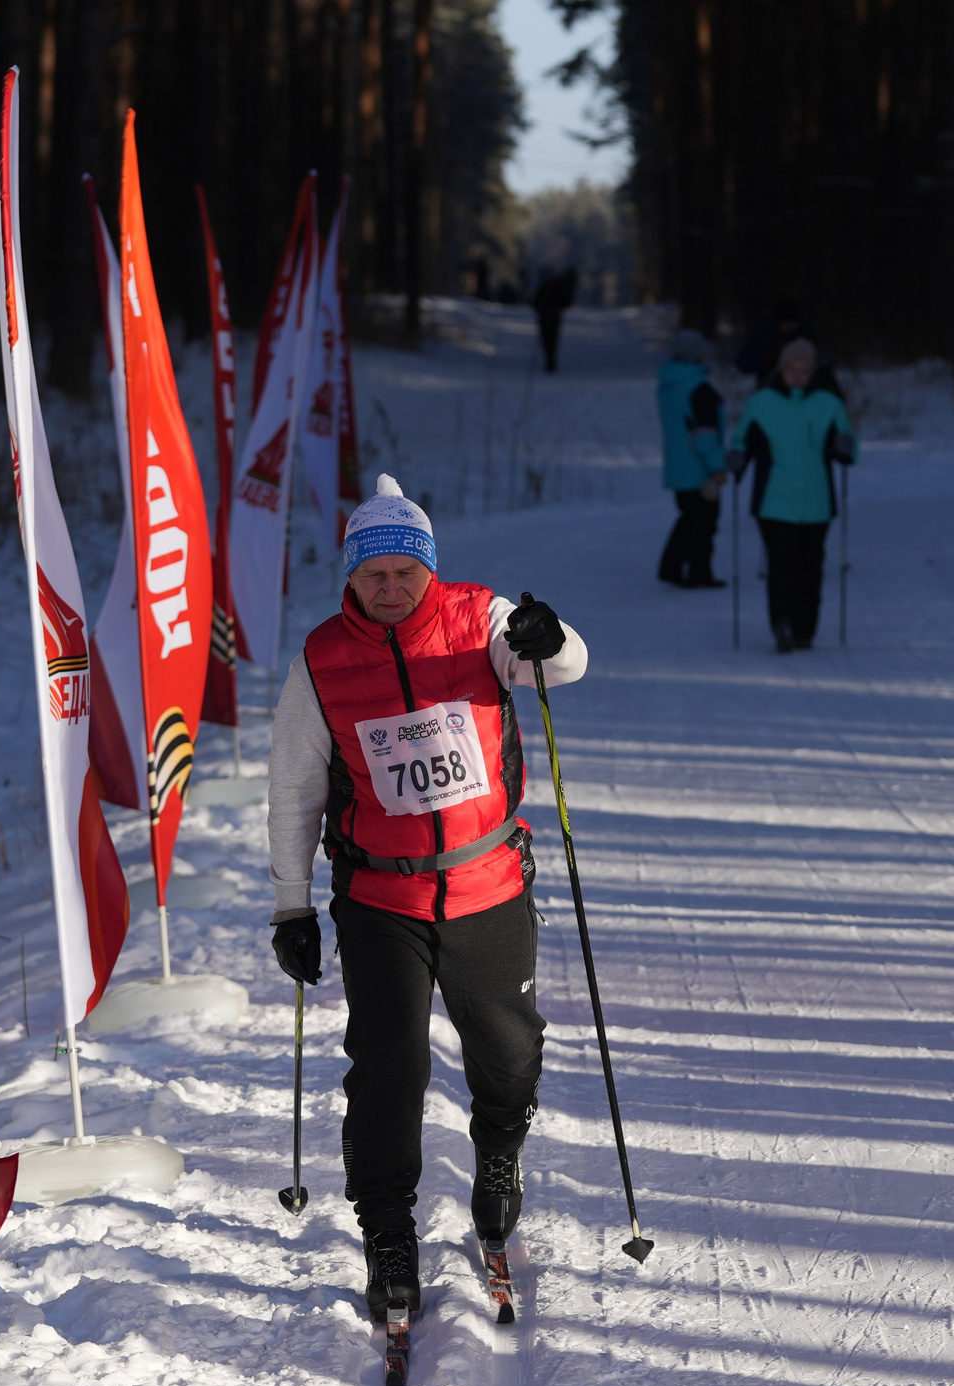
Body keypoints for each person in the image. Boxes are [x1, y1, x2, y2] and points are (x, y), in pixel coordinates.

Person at [267, 474, 589, 1325]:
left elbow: (563, 665)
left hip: (487, 885)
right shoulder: (320, 661)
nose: (390, 587)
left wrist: (546, 635)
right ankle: (387, 1232)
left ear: (428, 570)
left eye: (406, 571)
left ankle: (498, 1155)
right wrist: (290, 905)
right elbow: (295, 787)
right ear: (351, 576)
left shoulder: (478, 620)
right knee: (388, 1070)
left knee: (509, 1053)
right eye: (374, 574)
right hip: (381, 897)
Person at [728, 338, 856, 652]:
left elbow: (849, 445)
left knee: (811, 569)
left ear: (813, 372)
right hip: (775, 503)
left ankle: (805, 630)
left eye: (804, 370)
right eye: (792, 369)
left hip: (817, 504)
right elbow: (742, 439)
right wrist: (737, 456)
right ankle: (782, 624)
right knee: (782, 567)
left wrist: (844, 446)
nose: (798, 375)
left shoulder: (829, 404)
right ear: (781, 370)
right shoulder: (762, 403)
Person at [656, 328, 727, 588]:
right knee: (703, 523)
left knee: (689, 518)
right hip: (699, 469)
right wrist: (717, 467)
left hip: (679, 467)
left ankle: (673, 569)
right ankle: (698, 573)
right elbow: (705, 435)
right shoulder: (699, 388)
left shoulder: (668, 384)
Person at [735, 296, 842, 396]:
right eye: (786, 323)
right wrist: (767, 359)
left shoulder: (808, 335)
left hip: (807, 395)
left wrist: (816, 356)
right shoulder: (765, 336)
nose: (789, 327)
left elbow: (827, 363)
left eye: (793, 323)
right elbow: (743, 362)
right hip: (772, 393)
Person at [531, 267, 578, 373]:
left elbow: (535, 301)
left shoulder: (549, 285)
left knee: (547, 338)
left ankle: (550, 359)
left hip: (546, 316)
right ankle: (550, 360)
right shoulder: (559, 285)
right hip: (551, 316)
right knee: (551, 338)